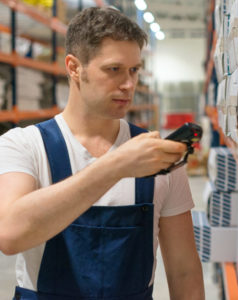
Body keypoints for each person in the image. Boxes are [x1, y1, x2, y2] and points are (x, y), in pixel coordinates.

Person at [0, 7, 205, 300]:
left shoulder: (157, 157)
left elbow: (184, 269)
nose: (129, 84)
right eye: (114, 70)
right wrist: (116, 165)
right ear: (73, 68)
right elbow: (9, 233)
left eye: (134, 70)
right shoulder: (24, 145)